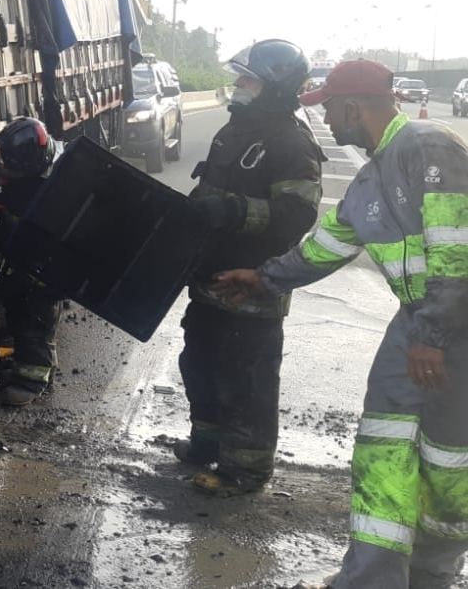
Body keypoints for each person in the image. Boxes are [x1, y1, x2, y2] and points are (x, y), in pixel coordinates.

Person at [212, 59, 468, 589]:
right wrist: (263, 278)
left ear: (353, 106)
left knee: (449, 455)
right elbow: (327, 245)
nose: (325, 119)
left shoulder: (428, 146)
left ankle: (434, 570)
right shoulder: (371, 178)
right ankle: (373, 578)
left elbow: (456, 250)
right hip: (417, 323)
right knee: (384, 446)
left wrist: (433, 336)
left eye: (328, 107)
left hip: (452, 325)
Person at [176, 39, 324, 497]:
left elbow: (296, 215)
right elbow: (209, 195)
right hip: (210, 280)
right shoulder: (234, 130)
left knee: (246, 379)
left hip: (253, 289)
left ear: (274, 87)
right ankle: (207, 442)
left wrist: (235, 210)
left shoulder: (290, 142)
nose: (238, 85)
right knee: (198, 363)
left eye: (249, 79)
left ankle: (245, 470)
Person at [0, 116, 63, 407]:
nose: (0, 172)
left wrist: (35, 274)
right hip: (13, 261)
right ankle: (26, 370)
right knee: (17, 317)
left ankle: (31, 382)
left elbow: (58, 241)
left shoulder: (59, 184)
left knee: (35, 322)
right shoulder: (4, 167)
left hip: (41, 271)